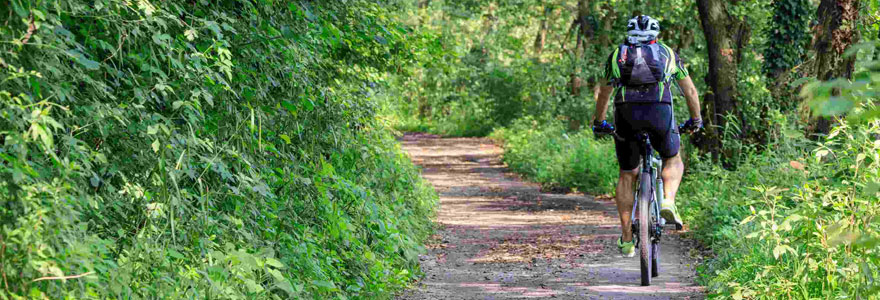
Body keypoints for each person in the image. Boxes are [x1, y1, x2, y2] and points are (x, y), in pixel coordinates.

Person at [591, 15, 703, 257]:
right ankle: (668, 201)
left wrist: (599, 122)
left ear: (629, 34)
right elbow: (690, 91)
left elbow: (604, 94)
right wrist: (696, 120)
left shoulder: (617, 55)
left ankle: (627, 237)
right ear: (656, 34)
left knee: (627, 174)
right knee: (673, 158)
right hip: (660, 112)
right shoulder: (667, 53)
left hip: (626, 115)